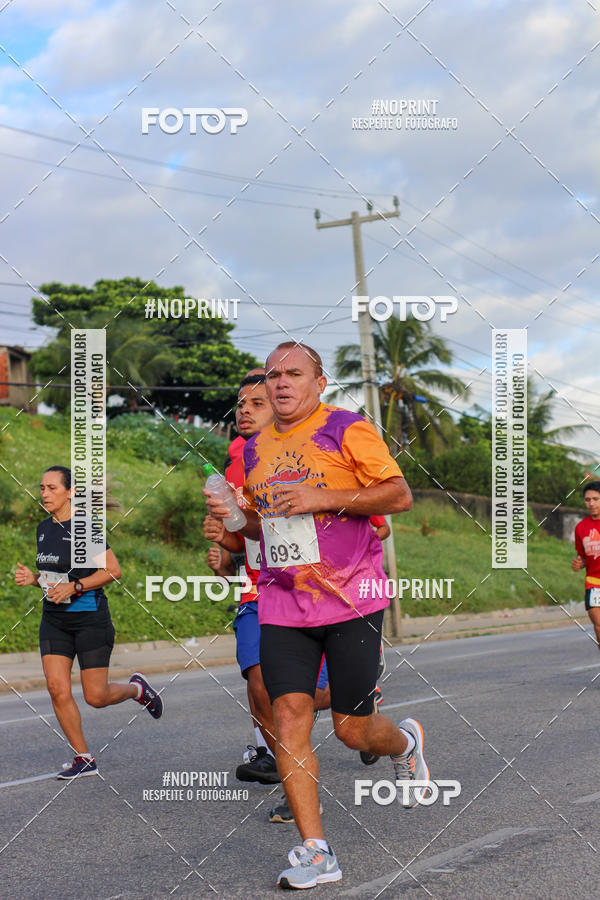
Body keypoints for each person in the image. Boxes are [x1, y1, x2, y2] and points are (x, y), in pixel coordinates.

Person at [206, 342, 430, 890]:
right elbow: (265, 527)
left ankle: (404, 744)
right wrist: (237, 521)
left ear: (319, 382)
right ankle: (315, 850)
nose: (281, 383)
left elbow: (398, 495)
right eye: (275, 374)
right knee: (287, 718)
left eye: (294, 374)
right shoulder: (254, 449)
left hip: (351, 596)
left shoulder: (347, 428)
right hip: (283, 600)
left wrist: (320, 497)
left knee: (353, 731)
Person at [14, 465, 163, 779]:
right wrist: (33, 579)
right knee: (57, 688)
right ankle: (83, 757)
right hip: (54, 620)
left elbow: (112, 571)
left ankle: (137, 689)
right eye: (42, 488)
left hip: (89, 619)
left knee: (95, 697)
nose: (44, 493)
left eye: (52, 488)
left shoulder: (84, 529)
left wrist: (76, 586)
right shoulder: (43, 529)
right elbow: (54, 577)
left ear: (70, 492)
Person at [204, 372, 280, 786]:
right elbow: (242, 538)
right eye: (240, 403)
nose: (244, 411)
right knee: (258, 681)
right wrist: (224, 544)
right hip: (255, 588)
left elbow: (374, 527)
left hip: (306, 587)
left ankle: (358, 693)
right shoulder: (234, 465)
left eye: (256, 403)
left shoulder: (307, 455)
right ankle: (280, 762)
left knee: (302, 696)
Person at [572, 481, 600, 651]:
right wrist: (578, 563)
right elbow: (581, 556)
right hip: (594, 583)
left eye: (596, 499)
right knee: (599, 627)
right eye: (588, 500)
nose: (591, 504)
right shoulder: (581, 528)